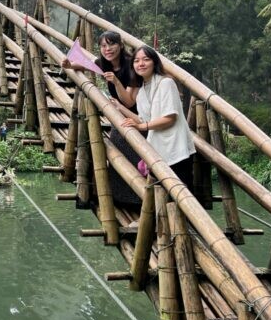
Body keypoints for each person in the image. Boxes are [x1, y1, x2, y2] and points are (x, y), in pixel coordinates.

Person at [62, 31, 143, 205]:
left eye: (112, 44)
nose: (108, 49)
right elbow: (85, 66)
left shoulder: (131, 65)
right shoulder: (103, 63)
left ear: (121, 45)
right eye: (103, 46)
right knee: (116, 155)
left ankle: (138, 201)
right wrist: (70, 65)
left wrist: (115, 82)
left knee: (132, 156)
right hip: (118, 115)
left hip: (136, 116)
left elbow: (129, 102)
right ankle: (120, 199)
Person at [115, 45, 196, 190]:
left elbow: (169, 118)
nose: (141, 64)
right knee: (161, 199)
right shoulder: (141, 91)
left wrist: (141, 126)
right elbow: (144, 119)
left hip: (176, 149)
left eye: (146, 59)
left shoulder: (166, 83)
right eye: (136, 61)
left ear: (154, 62)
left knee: (181, 197)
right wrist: (121, 108)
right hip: (157, 152)